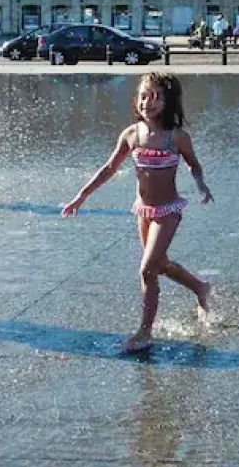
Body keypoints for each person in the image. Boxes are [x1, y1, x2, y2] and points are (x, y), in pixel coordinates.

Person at [63, 72, 213, 353]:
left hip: (168, 211)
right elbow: (109, 169)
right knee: (159, 265)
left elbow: (194, 164)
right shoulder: (131, 134)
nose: (149, 102)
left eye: (156, 97)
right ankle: (200, 288)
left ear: (169, 102)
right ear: (136, 100)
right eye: (144, 96)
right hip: (143, 210)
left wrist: (200, 183)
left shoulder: (177, 137)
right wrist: (81, 196)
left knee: (147, 269)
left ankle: (145, 332)